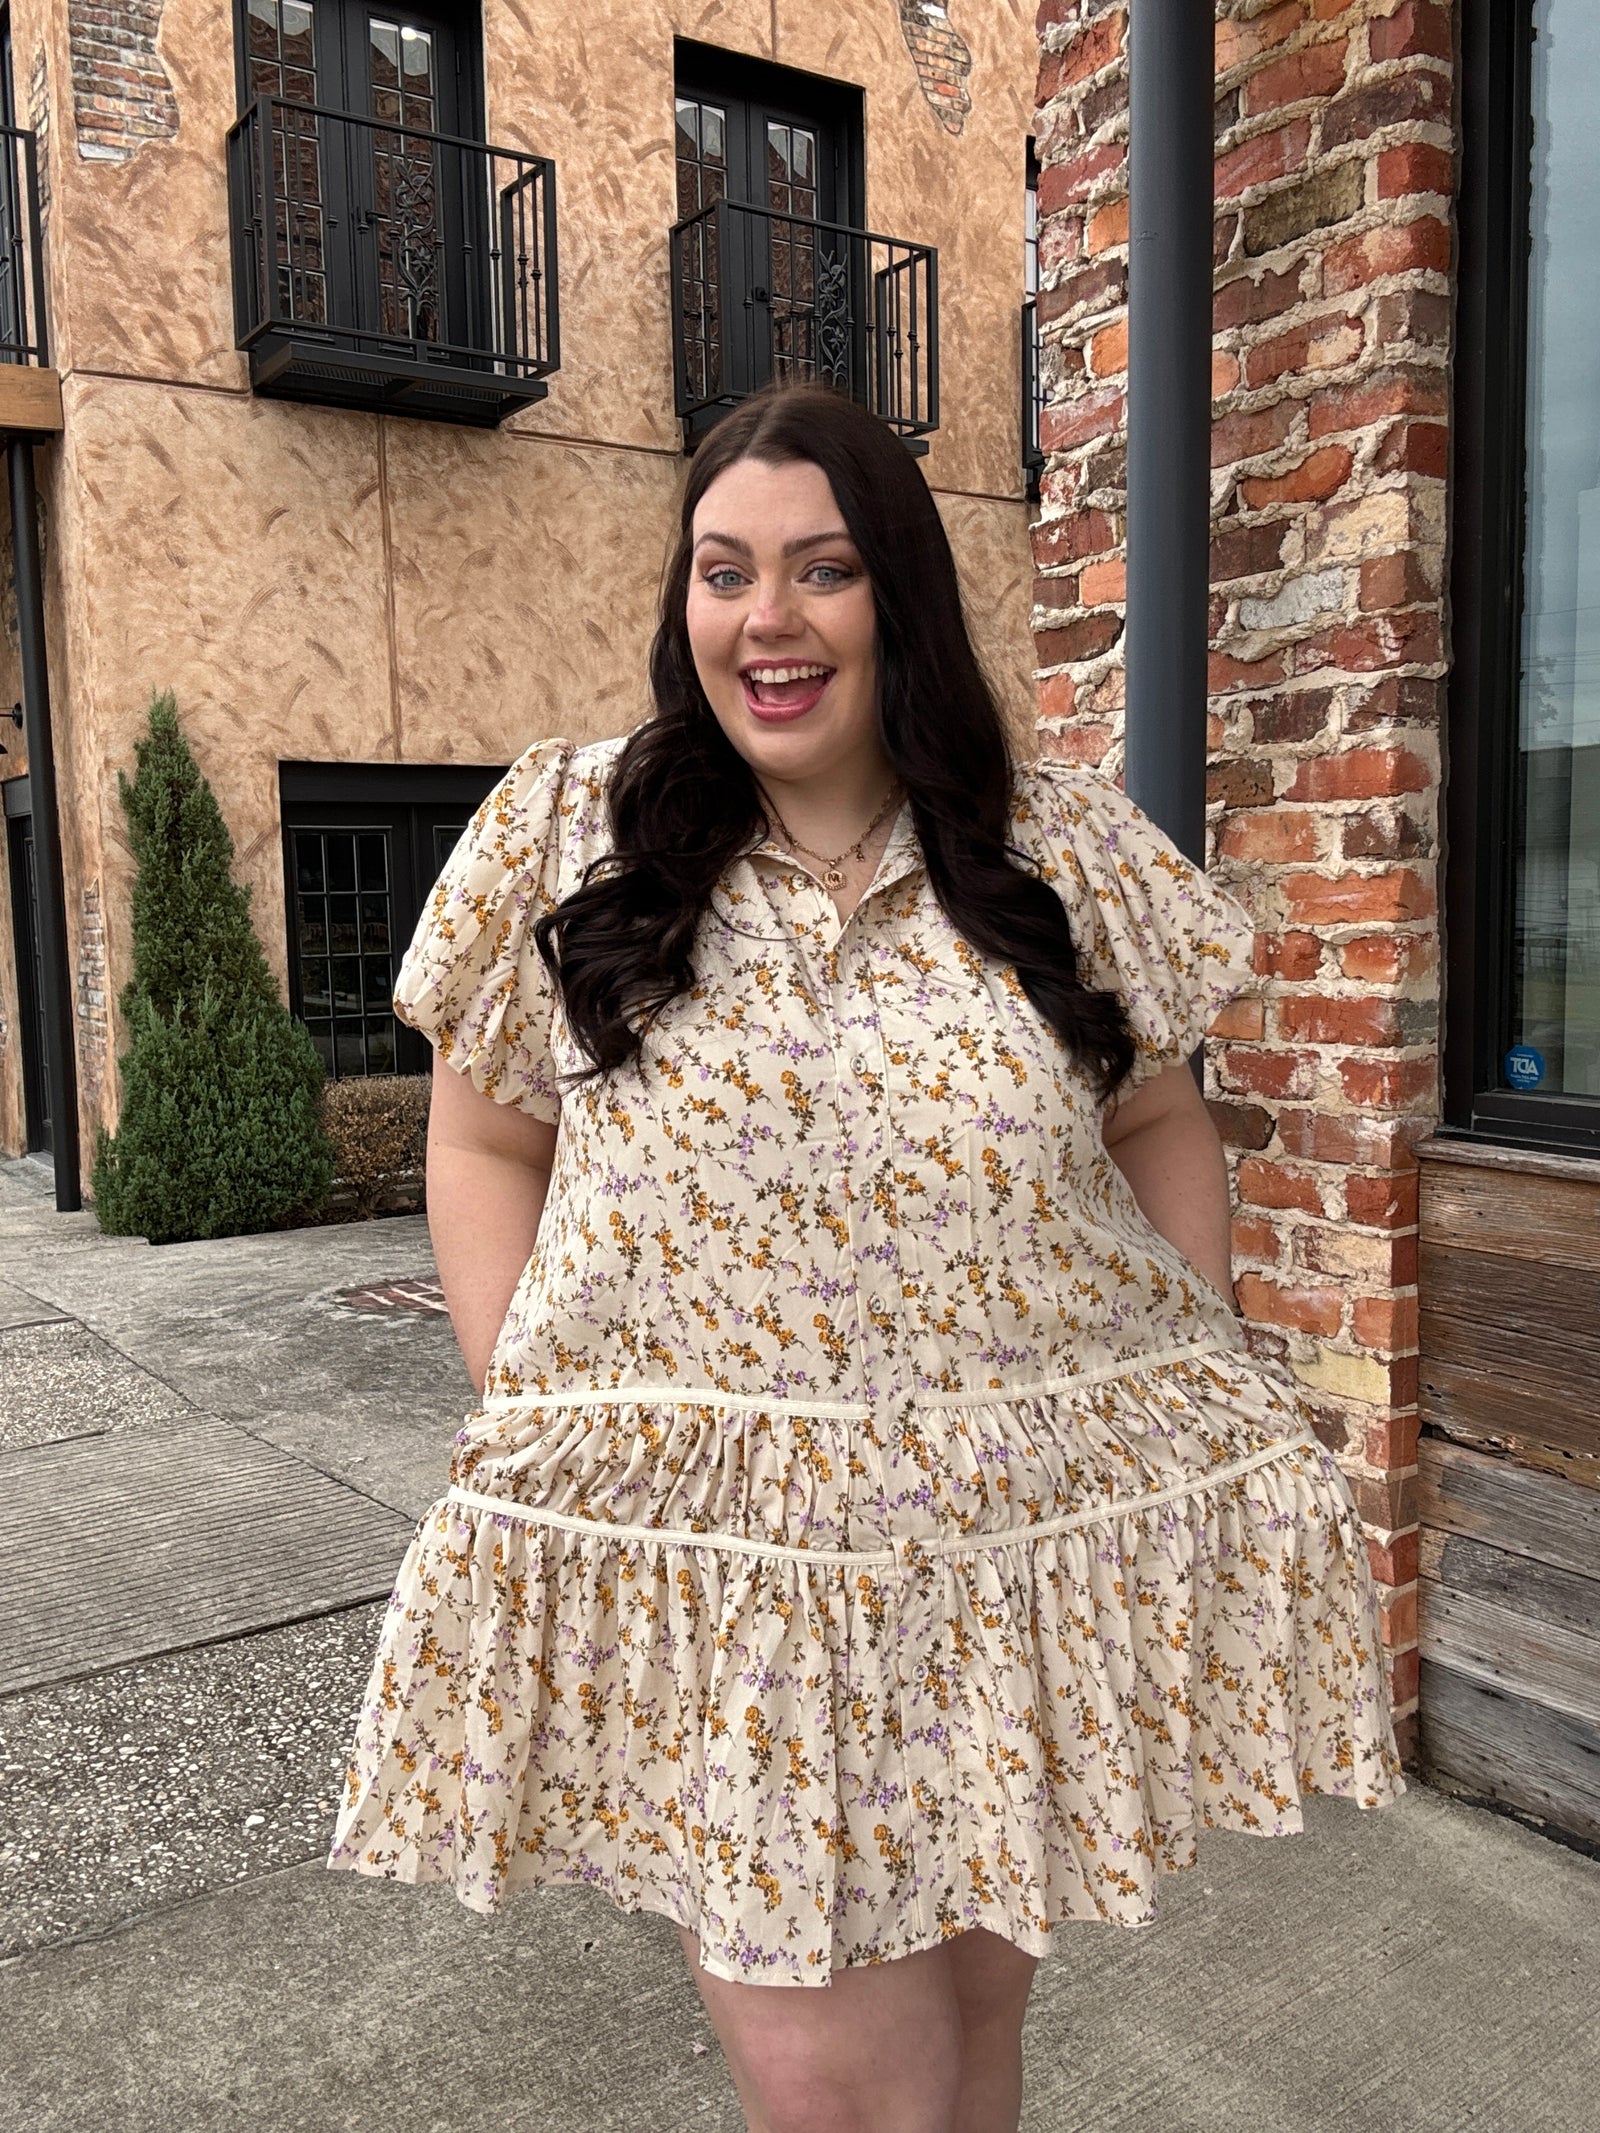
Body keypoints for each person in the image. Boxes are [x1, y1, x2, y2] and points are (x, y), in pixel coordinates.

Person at [330, 381, 1405, 2133]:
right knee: (850, 2099)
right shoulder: (569, 833)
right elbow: (484, 1134)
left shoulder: (1053, 851)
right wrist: (531, 1397)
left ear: (897, 594)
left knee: (974, 2066)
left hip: (1004, 1573)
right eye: (724, 571)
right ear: (684, 604)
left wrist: (1182, 1366)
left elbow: (1156, 1119)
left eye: (822, 570)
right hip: (744, 1594)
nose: (769, 620)